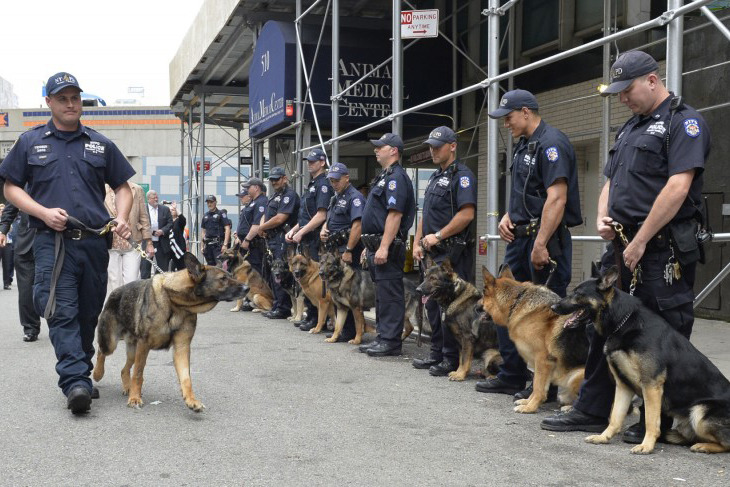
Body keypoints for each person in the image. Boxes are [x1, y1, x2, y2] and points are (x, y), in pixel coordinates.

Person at [540, 51, 711, 438]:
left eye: (627, 90)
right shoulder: (630, 128)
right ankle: (593, 410)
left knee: (664, 335)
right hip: (621, 246)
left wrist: (641, 240)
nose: (622, 99)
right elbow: (610, 182)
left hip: (661, 248)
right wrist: (603, 217)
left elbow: (678, 187)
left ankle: (659, 422)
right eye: (617, 93)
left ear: (652, 80)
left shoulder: (683, 123)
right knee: (602, 327)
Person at [0, 72, 134, 414]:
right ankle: (74, 381)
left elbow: (123, 187)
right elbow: (10, 188)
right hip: (51, 243)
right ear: (49, 102)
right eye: (63, 98)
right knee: (61, 312)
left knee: (89, 313)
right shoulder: (30, 142)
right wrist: (42, 213)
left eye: (75, 97)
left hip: (93, 243)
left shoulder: (100, 143)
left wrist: (120, 217)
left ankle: (82, 373)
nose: (71, 104)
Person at [478, 89, 582, 400]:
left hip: (543, 241)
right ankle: (512, 375)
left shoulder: (553, 143)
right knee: (504, 306)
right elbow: (530, 192)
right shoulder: (525, 145)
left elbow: (557, 198)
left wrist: (540, 243)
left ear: (526, 112)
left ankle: (546, 387)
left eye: (508, 117)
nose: (506, 123)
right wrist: (510, 215)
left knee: (545, 319)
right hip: (520, 238)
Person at [412, 126, 477, 376]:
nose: (433, 150)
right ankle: (436, 354)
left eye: (437, 146)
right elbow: (424, 216)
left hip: (452, 255)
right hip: (432, 254)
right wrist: (417, 243)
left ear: (452, 146)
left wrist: (438, 236)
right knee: (431, 305)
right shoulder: (434, 177)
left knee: (454, 309)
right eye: (430, 146)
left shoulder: (462, 176)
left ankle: (452, 359)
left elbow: (467, 214)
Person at [359, 133, 416, 357]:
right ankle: (383, 336)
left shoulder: (396, 178)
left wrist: (383, 246)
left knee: (391, 294)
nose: (376, 150)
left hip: (389, 247)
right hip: (376, 244)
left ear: (393, 150)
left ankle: (391, 341)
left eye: (380, 147)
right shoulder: (384, 176)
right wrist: (369, 245)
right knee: (381, 294)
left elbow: (394, 215)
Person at [286, 148, 332, 331]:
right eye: (308, 161)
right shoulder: (312, 184)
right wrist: (294, 230)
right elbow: (305, 216)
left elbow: (321, 215)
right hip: (306, 236)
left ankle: (316, 318)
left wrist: (302, 232)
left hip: (315, 239)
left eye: (313, 161)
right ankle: (311, 315)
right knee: (306, 281)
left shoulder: (324, 184)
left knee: (316, 282)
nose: (309, 164)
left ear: (322, 162)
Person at [319, 162, 365, 341]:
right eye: (331, 180)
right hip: (334, 250)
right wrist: (324, 228)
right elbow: (330, 218)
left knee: (351, 295)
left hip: (347, 250)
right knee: (339, 294)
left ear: (347, 177)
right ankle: (343, 330)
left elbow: (358, 225)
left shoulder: (355, 197)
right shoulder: (335, 197)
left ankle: (354, 332)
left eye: (337, 180)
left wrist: (348, 249)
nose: (334, 184)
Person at [259, 167, 300, 319]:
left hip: (282, 238)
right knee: (272, 273)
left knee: (281, 272)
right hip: (272, 238)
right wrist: (262, 227)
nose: (274, 182)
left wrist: (262, 227)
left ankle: (283, 308)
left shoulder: (289, 195)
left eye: (276, 179)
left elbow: (280, 218)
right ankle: (277, 304)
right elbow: (267, 214)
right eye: (271, 180)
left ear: (284, 178)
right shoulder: (275, 195)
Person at [0, 202, 40, 341]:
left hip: (53, 243)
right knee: (25, 289)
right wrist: (3, 230)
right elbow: (10, 209)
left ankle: (60, 325)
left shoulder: (60, 181)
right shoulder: (22, 184)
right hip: (25, 244)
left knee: (53, 287)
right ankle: (30, 327)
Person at [105, 182, 154, 291]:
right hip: (111, 243)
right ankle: (114, 307)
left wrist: (149, 242)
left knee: (132, 281)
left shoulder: (136, 189)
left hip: (132, 241)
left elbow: (144, 217)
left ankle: (130, 307)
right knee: (113, 282)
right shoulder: (103, 189)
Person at [239, 178, 269, 278]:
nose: (247, 189)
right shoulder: (254, 202)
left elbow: (257, 225)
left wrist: (247, 239)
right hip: (249, 245)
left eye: (248, 187)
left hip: (255, 244)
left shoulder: (261, 202)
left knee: (256, 274)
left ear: (256, 188)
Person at [140, 190, 172, 277]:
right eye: (154, 198)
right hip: (147, 242)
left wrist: (162, 231)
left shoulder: (165, 209)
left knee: (162, 269)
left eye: (157, 197)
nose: (156, 199)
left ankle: (159, 287)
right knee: (145, 267)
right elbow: (138, 223)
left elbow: (170, 223)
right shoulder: (143, 209)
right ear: (148, 199)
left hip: (161, 243)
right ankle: (145, 287)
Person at [201, 194, 226, 265]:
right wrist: (202, 246)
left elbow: (227, 229)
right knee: (210, 267)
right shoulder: (205, 215)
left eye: (211, 202)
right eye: (208, 202)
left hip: (218, 246)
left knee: (220, 266)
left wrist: (225, 244)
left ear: (215, 202)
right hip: (208, 246)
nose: (209, 204)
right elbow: (203, 231)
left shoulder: (221, 214)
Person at [168, 202, 187, 271]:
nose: (171, 211)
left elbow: (183, 219)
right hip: (169, 248)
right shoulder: (167, 221)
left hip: (179, 248)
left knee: (181, 268)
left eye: (173, 210)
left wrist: (176, 208)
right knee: (166, 267)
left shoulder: (179, 221)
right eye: (170, 210)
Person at [0, 203, 14, 289]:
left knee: (7, 264)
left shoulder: (9, 219)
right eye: (0, 210)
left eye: (3, 210)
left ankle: (6, 283)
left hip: (8, 243)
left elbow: (12, 230)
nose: (2, 211)